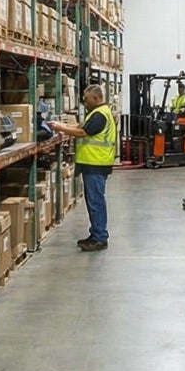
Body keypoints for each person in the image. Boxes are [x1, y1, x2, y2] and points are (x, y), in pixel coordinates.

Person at [49, 84, 116, 250]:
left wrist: (60, 128)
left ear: (96, 98)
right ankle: (96, 234)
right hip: (93, 163)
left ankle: (100, 238)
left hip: (96, 163)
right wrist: (61, 125)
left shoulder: (100, 114)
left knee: (96, 202)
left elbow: (82, 133)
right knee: (93, 201)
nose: (84, 103)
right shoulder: (96, 113)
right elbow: (80, 127)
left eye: (86, 100)